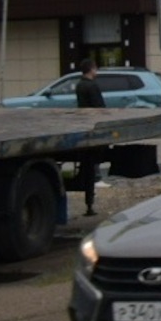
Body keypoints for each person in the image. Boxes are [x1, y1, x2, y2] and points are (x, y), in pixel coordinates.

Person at [73, 58, 105, 216]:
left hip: (83, 125)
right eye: (95, 68)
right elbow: (99, 106)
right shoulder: (92, 86)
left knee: (86, 164)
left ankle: (89, 202)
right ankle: (90, 202)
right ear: (91, 69)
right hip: (94, 127)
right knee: (92, 164)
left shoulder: (79, 85)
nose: (96, 71)